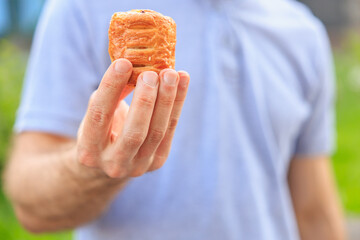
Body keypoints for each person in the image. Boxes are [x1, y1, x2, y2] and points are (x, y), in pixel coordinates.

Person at [4, 0, 346, 239]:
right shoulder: (81, 8)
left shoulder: (302, 31)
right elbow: (30, 206)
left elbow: (313, 209)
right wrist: (92, 169)